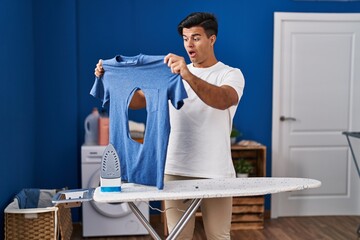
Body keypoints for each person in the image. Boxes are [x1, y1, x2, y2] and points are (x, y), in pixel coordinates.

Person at [95, 12, 245, 240]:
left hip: (216, 171)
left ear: (211, 39)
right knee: (178, 237)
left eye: (196, 37)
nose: (189, 44)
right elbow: (138, 101)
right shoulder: (172, 74)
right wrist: (110, 79)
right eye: (185, 39)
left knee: (218, 236)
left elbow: (223, 99)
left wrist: (188, 75)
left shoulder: (230, 74)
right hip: (175, 168)